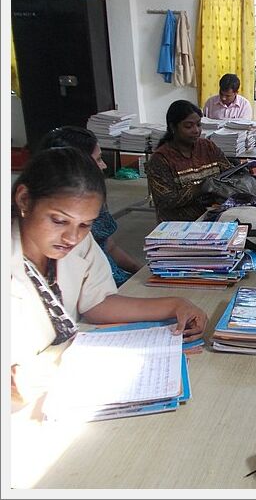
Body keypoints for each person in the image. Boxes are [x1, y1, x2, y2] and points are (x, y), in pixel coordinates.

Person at [10, 147, 207, 410]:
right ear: (24, 200)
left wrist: (176, 304)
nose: (72, 237)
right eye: (58, 220)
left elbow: (97, 302)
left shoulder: (76, 243)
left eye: (85, 224)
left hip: (62, 385)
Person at [39, 126, 144, 286]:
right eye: (99, 159)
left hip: (111, 279)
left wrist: (140, 270)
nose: (104, 166)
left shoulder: (92, 197)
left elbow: (109, 246)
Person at [147, 100, 239, 222]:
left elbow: (228, 174)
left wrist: (240, 172)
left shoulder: (208, 146)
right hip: (179, 223)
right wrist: (201, 188)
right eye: (188, 126)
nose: (196, 130)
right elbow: (166, 200)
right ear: (173, 127)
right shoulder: (161, 159)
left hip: (214, 214)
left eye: (199, 125)